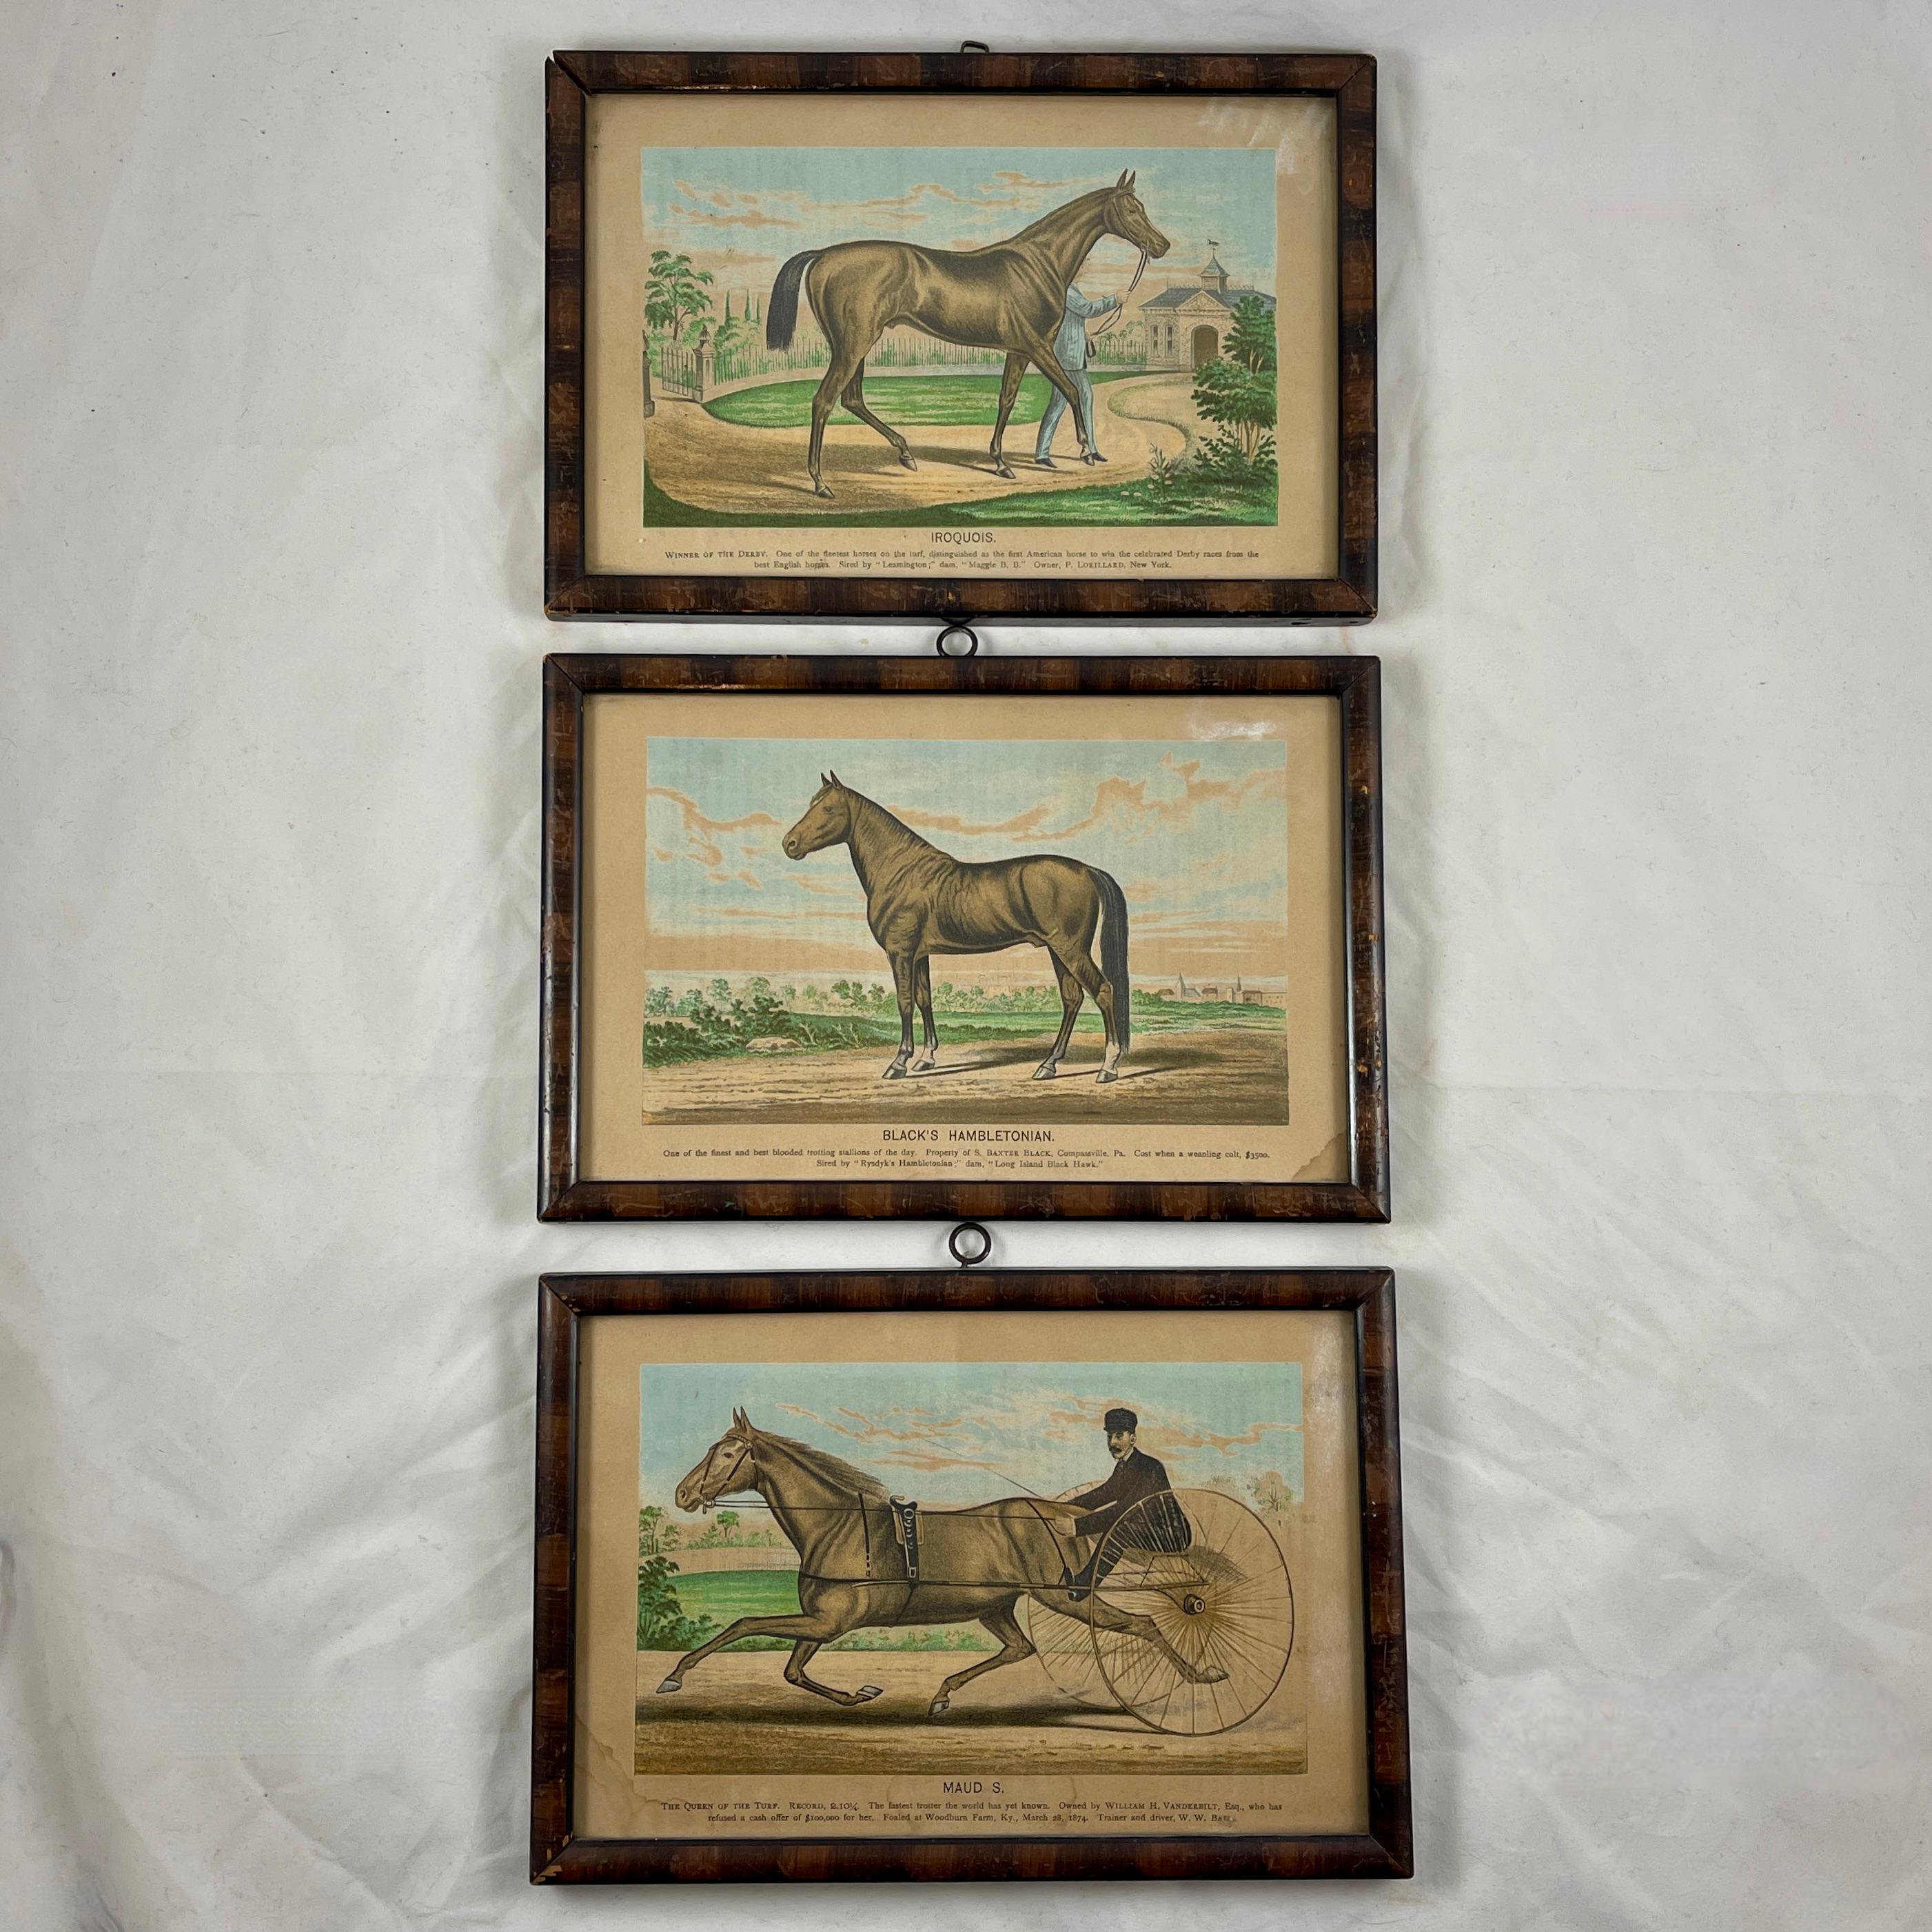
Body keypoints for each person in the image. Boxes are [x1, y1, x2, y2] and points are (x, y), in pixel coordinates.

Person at [1062, 1407, 1190, 1598]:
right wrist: (1066, 1507)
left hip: (1170, 1533)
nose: (1112, 1443)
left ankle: (1083, 1587)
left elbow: (1123, 1510)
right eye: (1109, 1437)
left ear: (1132, 1439)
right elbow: (1103, 1494)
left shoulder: (1151, 1468)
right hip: (1143, 1528)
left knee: (1118, 1531)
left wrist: (1077, 1526)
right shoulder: (1124, 1467)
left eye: (1119, 1436)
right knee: (1119, 1527)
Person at [1034, 285, 1120, 468]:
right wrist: (1115, 299)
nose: (1085, 265)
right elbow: (1087, 309)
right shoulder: (1066, 289)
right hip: (1068, 357)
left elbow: (1071, 319)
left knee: (1063, 402)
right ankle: (1086, 448)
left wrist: (1083, 333)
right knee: (1082, 397)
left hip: (1070, 355)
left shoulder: (1070, 286)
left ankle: (1046, 451)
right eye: (1084, 263)